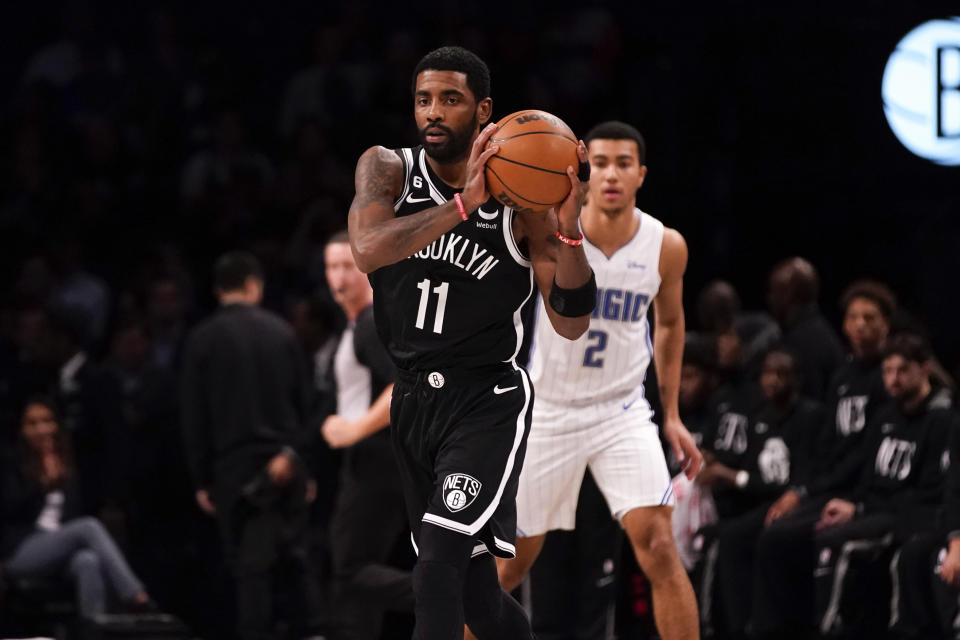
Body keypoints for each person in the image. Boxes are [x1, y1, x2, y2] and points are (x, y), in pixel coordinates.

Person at [347, 46, 596, 640]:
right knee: (479, 600)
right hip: (411, 403)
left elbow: (571, 319)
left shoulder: (522, 204)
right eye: (424, 100)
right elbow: (367, 249)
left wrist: (569, 226)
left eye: (450, 100)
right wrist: (462, 206)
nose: (433, 112)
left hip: (485, 400)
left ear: (483, 111)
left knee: (434, 570)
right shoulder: (387, 169)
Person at [492, 120, 702, 640]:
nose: (610, 174)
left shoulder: (665, 245)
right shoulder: (546, 231)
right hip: (549, 409)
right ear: (583, 170)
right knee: (512, 563)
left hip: (621, 412)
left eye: (623, 164)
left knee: (658, 544)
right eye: (600, 163)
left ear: (641, 174)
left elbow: (671, 324)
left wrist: (671, 414)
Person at [754, 332, 954, 639]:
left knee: (838, 546)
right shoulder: (884, 416)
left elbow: (928, 493)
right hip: (874, 507)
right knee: (794, 534)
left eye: (902, 370)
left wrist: (860, 508)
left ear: (924, 369)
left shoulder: (942, 421)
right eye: (887, 371)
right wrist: (854, 505)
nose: (893, 379)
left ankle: (830, 629)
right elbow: (867, 480)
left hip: (911, 515)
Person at [179, 251, 324, 640]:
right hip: (286, 462)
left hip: (233, 471)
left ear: (218, 290)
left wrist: (201, 479)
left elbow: (195, 418)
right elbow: (307, 405)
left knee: (249, 572)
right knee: (297, 562)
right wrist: (301, 461)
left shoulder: (201, 340)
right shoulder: (283, 332)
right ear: (253, 284)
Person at [320, 231, 413, 640]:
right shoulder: (357, 324)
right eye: (331, 266)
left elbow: (405, 384)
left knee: (351, 570)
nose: (338, 276)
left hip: (376, 462)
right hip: (374, 463)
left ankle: (453, 596)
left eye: (347, 266)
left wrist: (354, 429)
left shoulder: (373, 322)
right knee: (360, 571)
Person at [0, 397, 153, 620]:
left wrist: (61, 476)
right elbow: (9, 509)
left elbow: (75, 513)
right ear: (23, 430)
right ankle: (137, 597)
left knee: (87, 561)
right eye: (32, 424)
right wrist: (42, 484)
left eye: (46, 421)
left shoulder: (69, 462)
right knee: (89, 527)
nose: (41, 429)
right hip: (20, 550)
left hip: (61, 547)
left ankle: (95, 631)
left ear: (56, 425)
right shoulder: (12, 464)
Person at [766, 257, 845, 400]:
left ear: (788, 294)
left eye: (775, 291)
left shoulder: (805, 343)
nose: (770, 298)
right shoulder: (820, 332)